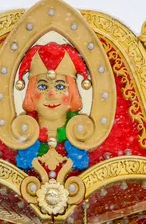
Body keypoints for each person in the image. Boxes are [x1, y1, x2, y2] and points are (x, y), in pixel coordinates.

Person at [13, 40, 93, 176]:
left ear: (73, 92)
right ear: (31, 92)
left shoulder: (80, 138)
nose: (51, 94)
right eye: (43, 86)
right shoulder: (21, 135)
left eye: (60, 86)